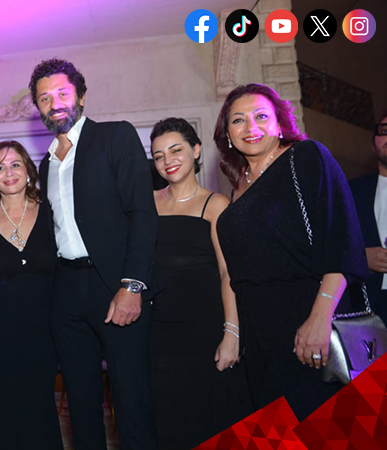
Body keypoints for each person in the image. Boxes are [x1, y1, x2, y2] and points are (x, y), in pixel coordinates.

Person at [213, 83, 368, 421]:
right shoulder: (238, 188)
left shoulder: (306, 157)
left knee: (332, 431)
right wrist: (235, 333)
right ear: (227, 135)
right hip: (260, 339)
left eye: (260, 116)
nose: (250, 127)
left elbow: (340, 241)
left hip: (308, 324)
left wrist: (320, 318)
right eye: (238, 120)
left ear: (280, 123)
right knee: (280, 435)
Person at [30, 58, 158, 449]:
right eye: (44, 98)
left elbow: (142, 213)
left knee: (130, 399)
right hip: (66, 291)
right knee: (81, 404)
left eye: (62, 93)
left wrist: (132, 285)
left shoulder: (115, 137)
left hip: (115, 284)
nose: (54, 103)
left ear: (82, 97)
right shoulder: (46, 164)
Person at [149, 118, 251, 449]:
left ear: (195, 150)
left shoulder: (216, 204)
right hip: (159, 334)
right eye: (159, 155)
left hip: (205, 332)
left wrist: (231, 334)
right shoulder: (147, 204)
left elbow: (228, 273)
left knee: (213, 424)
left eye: (175, 150)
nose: (168, 161)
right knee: (167, 425)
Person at [0, 141, 63, 450]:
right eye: (0, 167)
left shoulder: (51, 211)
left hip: (44, 333)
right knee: (2, 411)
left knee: (40, 408)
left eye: (15, 164)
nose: (9, 173)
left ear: (29, 171)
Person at [349, 110, 387, 324]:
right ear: (373, 145)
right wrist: (361, 258)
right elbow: (330, 245)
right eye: (384, 131)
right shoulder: (350, 192)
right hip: (372, 308)